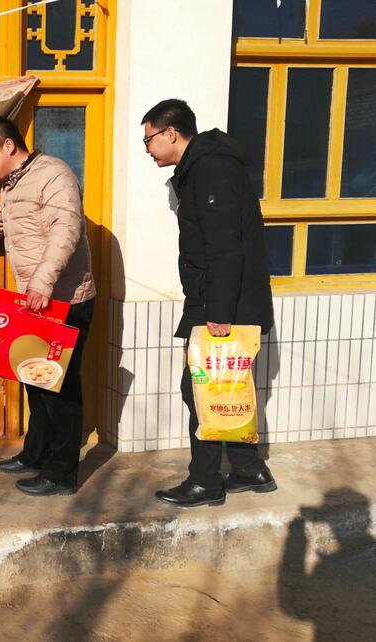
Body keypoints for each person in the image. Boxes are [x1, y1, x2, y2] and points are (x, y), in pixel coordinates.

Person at [141, 99, 277, 507]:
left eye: (148, 140)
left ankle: (205, 482)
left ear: (171, 133)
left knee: (199, 388)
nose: (147, 149)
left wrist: (218, 313)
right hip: (223, 299)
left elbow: (224, 247)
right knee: (225, 387)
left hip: (223, 305)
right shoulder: (202, 168)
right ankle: (249, 469)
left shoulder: (210, 169)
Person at [0, 116, 96, 496]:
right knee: (36, 382)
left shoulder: (54, 173)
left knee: (60, 391)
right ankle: (36, 454)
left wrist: (41, 282)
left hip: (65, 300)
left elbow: (66, 230)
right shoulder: (13, 187)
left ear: (8, 145)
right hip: (38, 303)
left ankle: (61, 473)